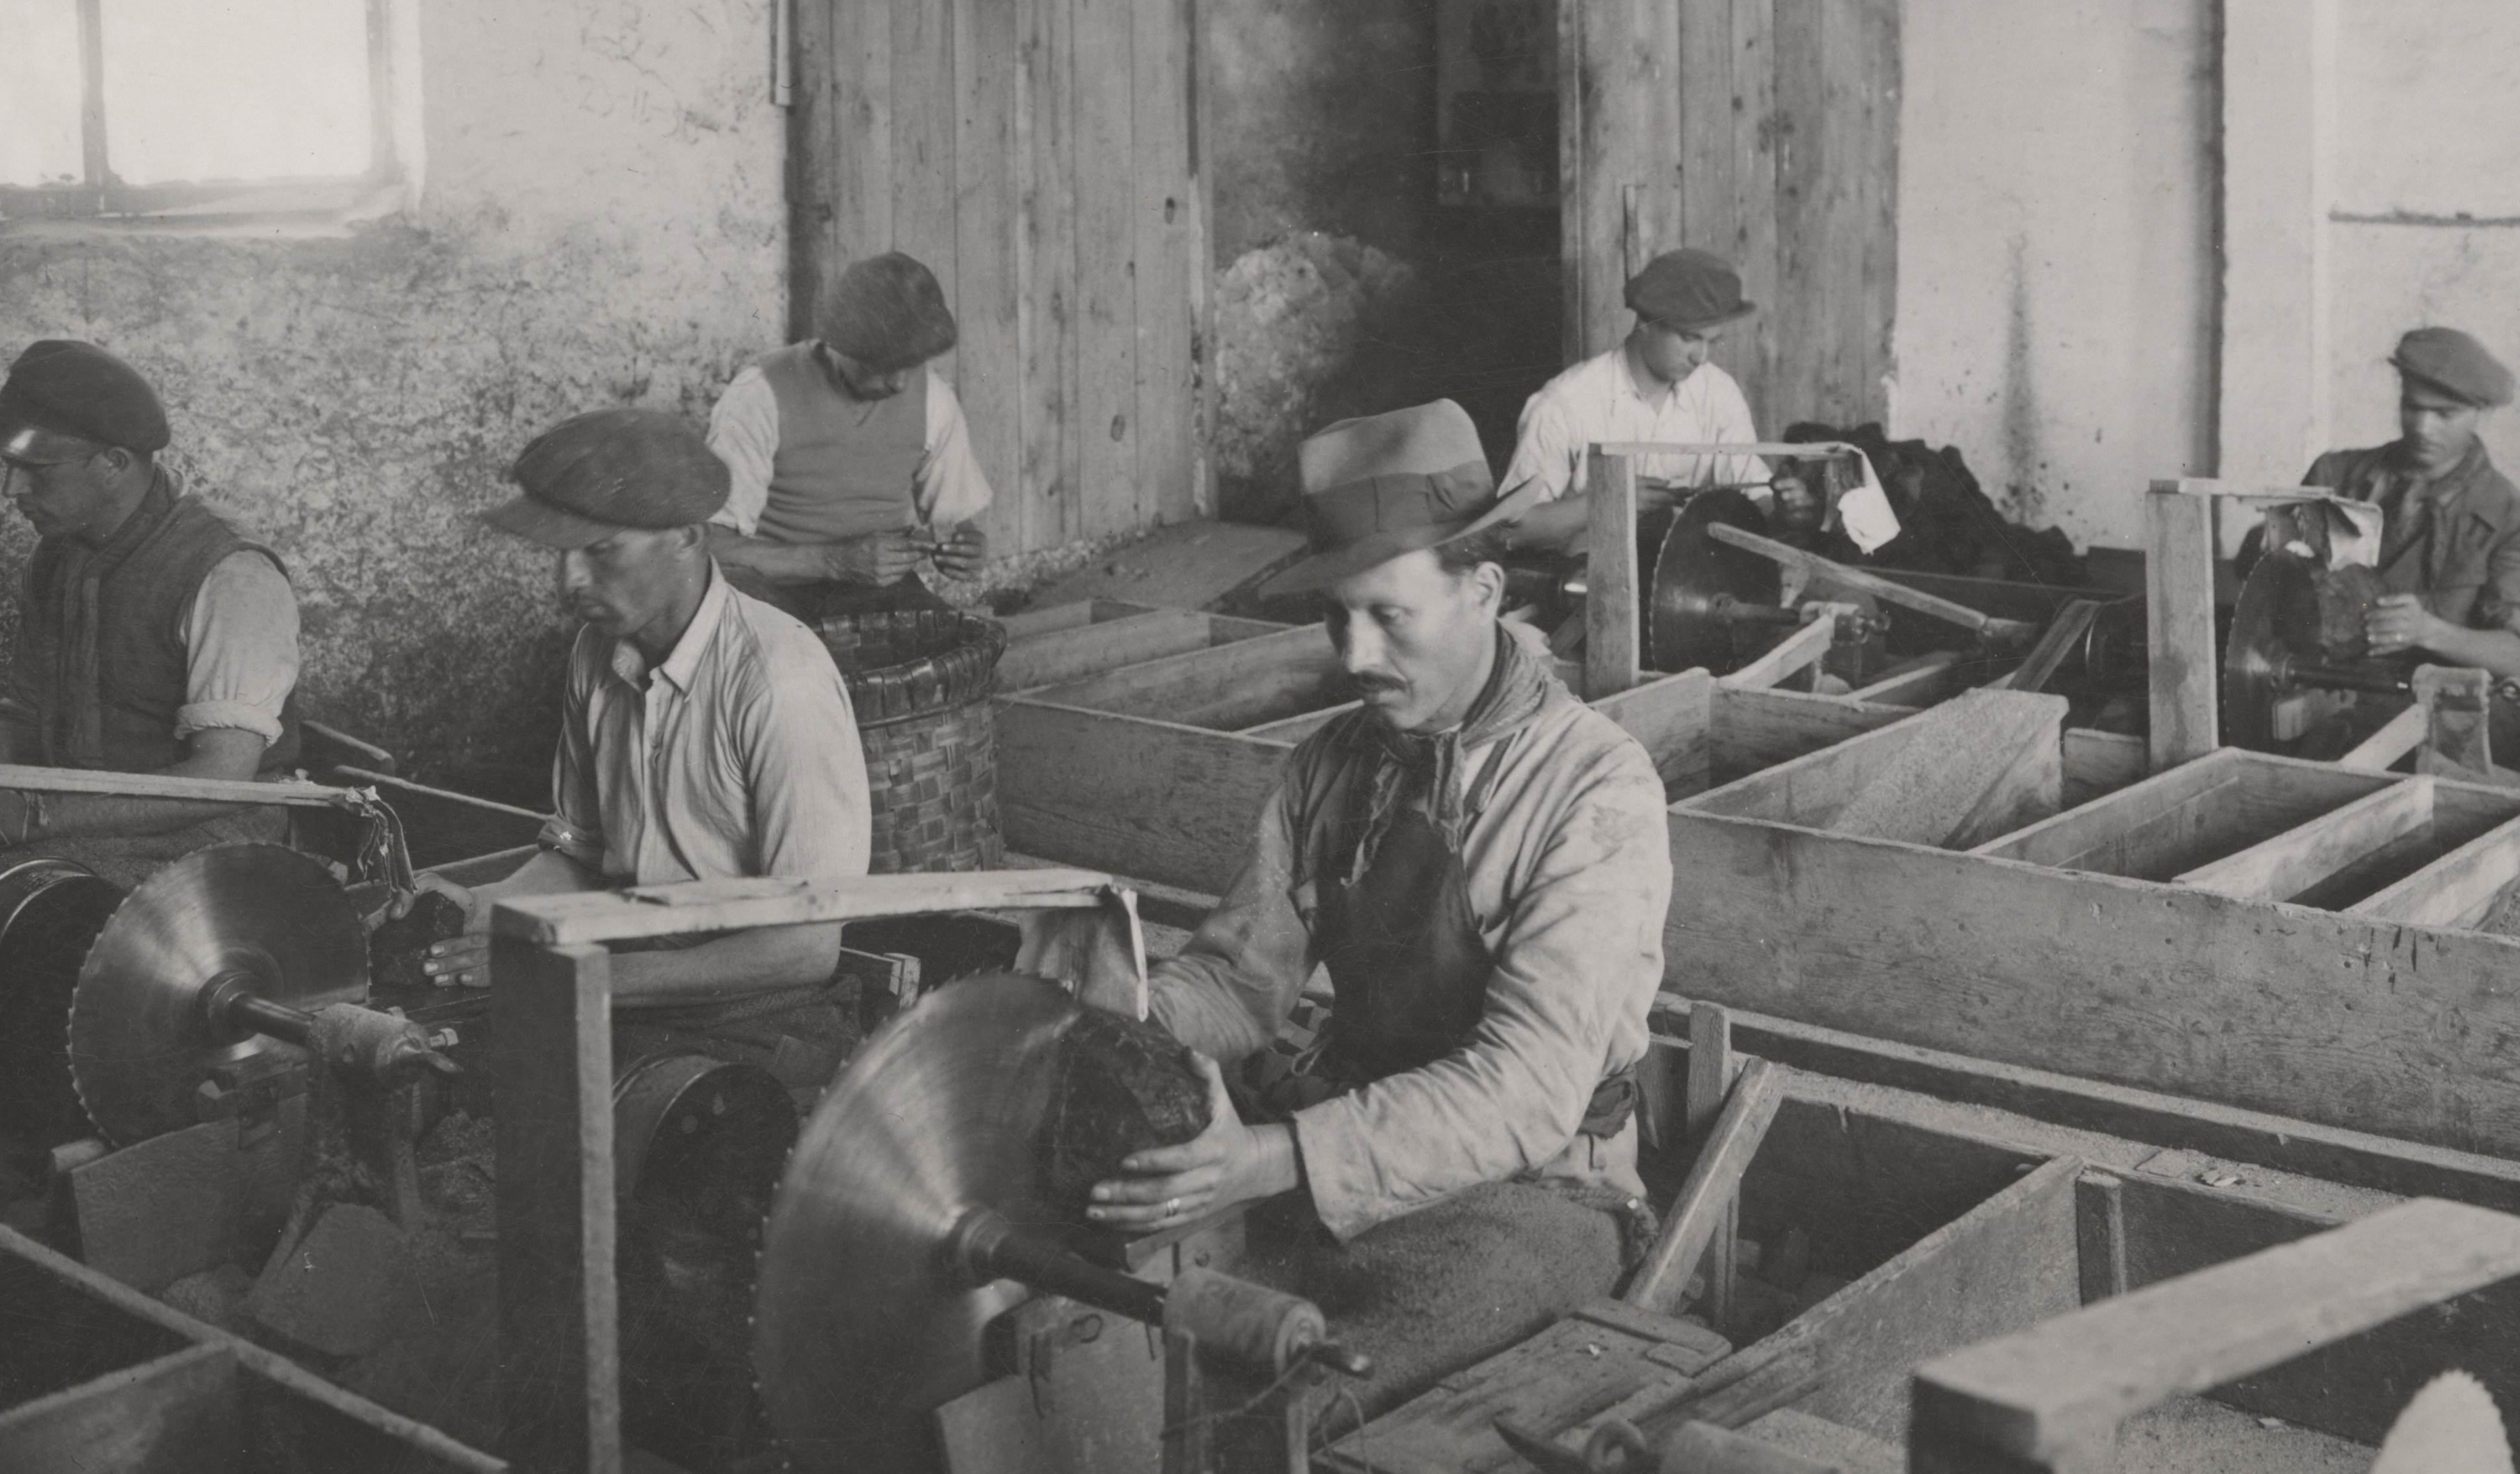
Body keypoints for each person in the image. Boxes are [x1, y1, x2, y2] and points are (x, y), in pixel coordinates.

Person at [1080, 401, 1673, 1402]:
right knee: (1112, 1288)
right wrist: (1121, 1014)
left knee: (1329, 1380)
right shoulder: (1333, 762)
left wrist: (1268, 1158)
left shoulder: (1594, 790)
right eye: (1334, 616)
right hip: (1342, 1115)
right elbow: (1241, 979)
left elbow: (1522, 1089)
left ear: (1481, 591)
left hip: (1534, 1181)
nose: (1352, 654)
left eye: (1387, 616)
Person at [426, 406, 872, 1091]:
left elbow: (803, 948)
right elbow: (583, 853)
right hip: (633, 978)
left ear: (688, 537)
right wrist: (477, 903)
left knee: (557, 1119)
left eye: (601, 550)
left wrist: (569, 974)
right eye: (561, 554)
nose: (567, 582)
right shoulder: (595, 653)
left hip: (759, 1010)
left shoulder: (780, 683)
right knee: (431, 1067)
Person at [0, 339, 302, 880]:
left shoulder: (229, 573)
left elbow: (223, 777)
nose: (11, 489)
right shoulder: (58, 553)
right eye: (8, 466)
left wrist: (37, 817)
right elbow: (29, 718)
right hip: (93, 822)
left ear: (114, 462)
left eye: (36, 468)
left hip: (217, 834)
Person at [706, 253, 995, 615]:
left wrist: (967, 547)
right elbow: (712, 544)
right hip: (773, 590)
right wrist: (833, 561)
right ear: (839, 346)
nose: (900, 382)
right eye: (883, 366)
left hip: (876, 592)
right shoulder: (760, 394)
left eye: (912, 364)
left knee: (954, 651)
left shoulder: (934, 400)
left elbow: (954, 519)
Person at [2269, 327, 2520, 685]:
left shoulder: (2514, 519)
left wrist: (2428, 632)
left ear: (2478, 412)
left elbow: (2518, 654)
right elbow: (2268, 576)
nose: (2423, 427)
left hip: (2428, 702)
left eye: (2445, 414)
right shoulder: (2334, 475)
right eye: (2412, 407)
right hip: (2317, 682)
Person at [1497, 248, 1768, 550]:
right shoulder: (1565, 404)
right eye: (1689, 338)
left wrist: (1787, 506)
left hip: (1688, 581)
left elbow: (1757, 495)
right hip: (1584, 582)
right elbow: (1509, 530)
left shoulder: (1718, 393)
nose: (1701, 358)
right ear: (1646, 322)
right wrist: (1604, 501)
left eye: (1712, 341)